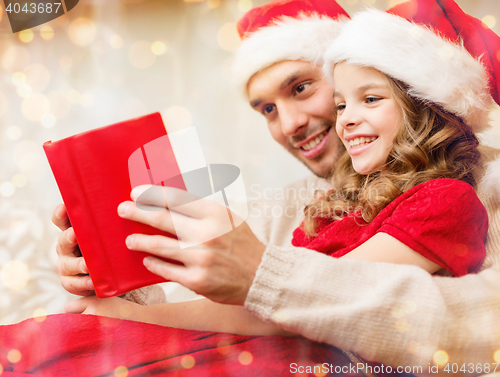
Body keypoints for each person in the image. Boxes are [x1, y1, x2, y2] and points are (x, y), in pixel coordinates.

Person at [55, 0, 500, 369]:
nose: (290, 124)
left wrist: (135, 317)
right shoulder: (301, 207)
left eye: (303, 88)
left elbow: (468, 328)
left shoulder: (464, 195)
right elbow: (221, 313)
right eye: (267, 109)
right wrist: (116, 277)